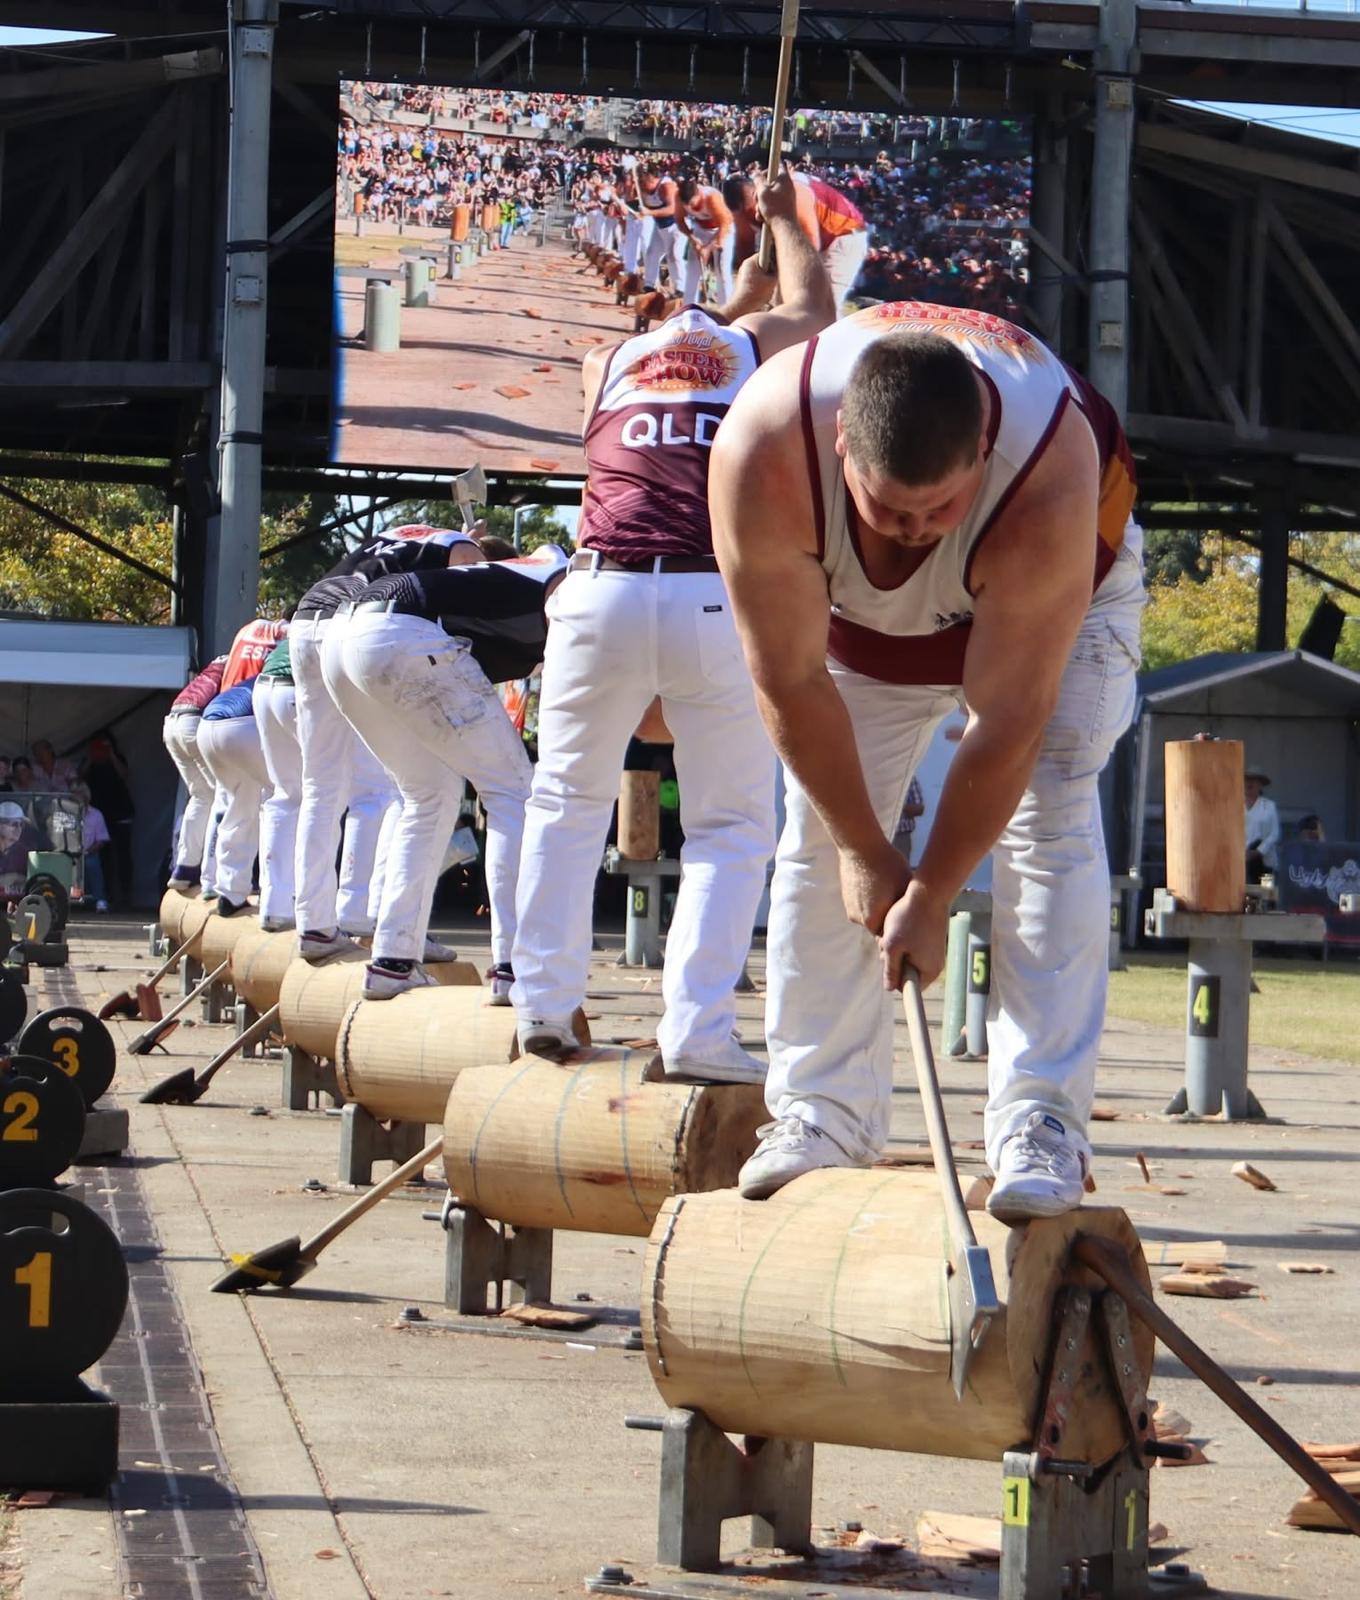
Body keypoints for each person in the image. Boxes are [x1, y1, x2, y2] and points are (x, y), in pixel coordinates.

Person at [710, 300, 1144, 1217]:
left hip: (1061, 598)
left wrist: (934, 893)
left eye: (940, 505)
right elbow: (789, 681)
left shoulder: (1048, 471)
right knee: (819, 837)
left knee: (1053, 813)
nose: (914, 529)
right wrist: (869, 854)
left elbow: (1007, 724)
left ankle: (1041, 1124)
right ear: (838, 447)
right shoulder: (760, 445)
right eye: (888, 507)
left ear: (983, 450)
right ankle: (821, 1112)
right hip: (859, 626)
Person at [511, 167, 836, 1080]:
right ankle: (695, 1035)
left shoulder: (604, 365)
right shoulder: (752, 355)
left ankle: (540, 1005)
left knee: (563, 806)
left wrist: (743, 275)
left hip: (598, 591)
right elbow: (814, 311)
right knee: (731, 828)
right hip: (709, 595)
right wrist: (791, 221)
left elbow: (723, 322)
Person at [323, 543, 568, 1000]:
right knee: (514, 790)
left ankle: (393, 960)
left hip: (342, 640)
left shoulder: (513, 579)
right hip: (400, 628)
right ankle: (514, 967)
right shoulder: (570, 576)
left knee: (429, 794)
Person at [291, 526, 484, 966]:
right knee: (409, 787)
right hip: (351, 627)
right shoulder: (464, 550)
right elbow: (473, 595)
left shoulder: (402, 534)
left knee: (321, 784)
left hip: (306, 621)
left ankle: (316, 925)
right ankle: (391, 924)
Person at [723, 170, 869, 311]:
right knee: (782, 304)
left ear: (758, 192)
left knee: (822, 306)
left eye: (756, 205)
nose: (755, 214)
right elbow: (746, 254)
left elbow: (809, 248)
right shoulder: (741, 214)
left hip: (843, 235)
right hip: (809, 240)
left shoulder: (793, 194)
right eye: (748, 213)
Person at [195, 682, 268, 918]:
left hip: (206, 726)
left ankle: (225, 888)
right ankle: (275, 897)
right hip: (241, 724)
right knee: (283, 802)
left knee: (235, 809)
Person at [252, 638, 303, 932]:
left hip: (264, 687)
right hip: (297, 688)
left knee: (283, 796)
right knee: (327, 797)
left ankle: (274, 904)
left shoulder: (287, 634)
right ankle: (322, 912)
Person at [164, 656, 227, 889]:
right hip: (195, 720)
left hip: (172, 721)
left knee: (201, 796)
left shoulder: (214, 666)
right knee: (224, 796)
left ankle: (184, 866)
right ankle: (213, 873)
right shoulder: (238, 664)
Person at [80, 732, 135, 909]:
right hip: (97, 815)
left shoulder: (117, 758)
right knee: (102, 857)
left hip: (120, 813)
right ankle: (105, 895)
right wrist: (92, 756)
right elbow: (78, 778)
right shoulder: (90, 763)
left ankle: (126, 895)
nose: (101, 750)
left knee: (123, 856)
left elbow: (124, 774)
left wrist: (110, 754)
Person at [675, 178, 735, 305]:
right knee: (692, 268)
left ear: (698, 194)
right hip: (700, 229)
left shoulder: (711, 198)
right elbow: (680, 222)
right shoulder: (679, 198)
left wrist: (708, 249)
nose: (690, 207)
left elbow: (725, 224)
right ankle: (689, 307)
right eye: (687, 205)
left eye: (692, 203)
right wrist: (693, 239)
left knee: (722, 271)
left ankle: (726, 309)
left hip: (722, 230)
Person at [639, 163, 686, 296]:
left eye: (644, 181)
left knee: (674, 256)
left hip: (677, 226)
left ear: (652, 179)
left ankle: (680, 289)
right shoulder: (643, 189)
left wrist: (649, 213)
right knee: (651, 254)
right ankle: (649, 285)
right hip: (660, 227)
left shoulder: (666, 187)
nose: (642, 185)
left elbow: (672, 209)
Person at [72, 781, 111, 912]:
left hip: (88, 852)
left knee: (91, 863)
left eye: (79, 795)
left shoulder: (96, 815)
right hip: (68, 853)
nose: (76, 798)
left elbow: (101, 840)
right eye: (74, 795)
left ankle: (100, 899)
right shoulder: (64, 813)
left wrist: (87, 851)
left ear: (86, 797)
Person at [1245, 768, 1280, 882]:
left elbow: (1275, 833)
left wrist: (1259, 851)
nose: (1249, 783)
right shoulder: (1235, 805)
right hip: (1242, 861)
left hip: (1266, 861)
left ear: (1260, 785)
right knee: (1244, 895)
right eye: (1247, 780)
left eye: (1254, 780)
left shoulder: (1269, 806)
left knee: (1266, 894)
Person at [892, 776, 925, 865]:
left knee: (899, 873)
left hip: (900, 837)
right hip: (875, 834)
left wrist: (895, 806)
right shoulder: (872, 774)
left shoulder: (908, 778)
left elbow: (919, 809)